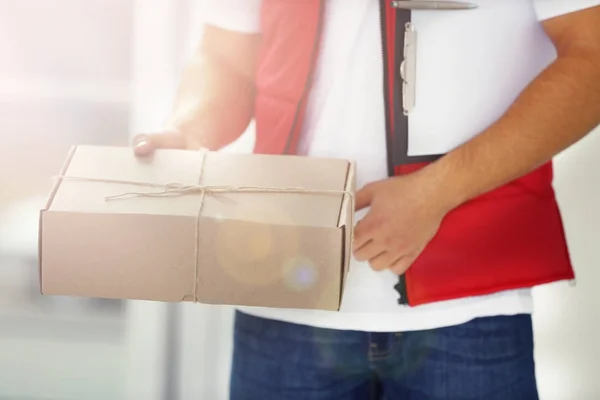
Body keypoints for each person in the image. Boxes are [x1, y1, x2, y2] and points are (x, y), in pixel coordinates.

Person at [133, 1, 600, 398]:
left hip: (469, 307)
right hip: (282, 295)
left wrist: (435, 192)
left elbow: (592, 57)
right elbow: (226, 58)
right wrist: (187, 132)